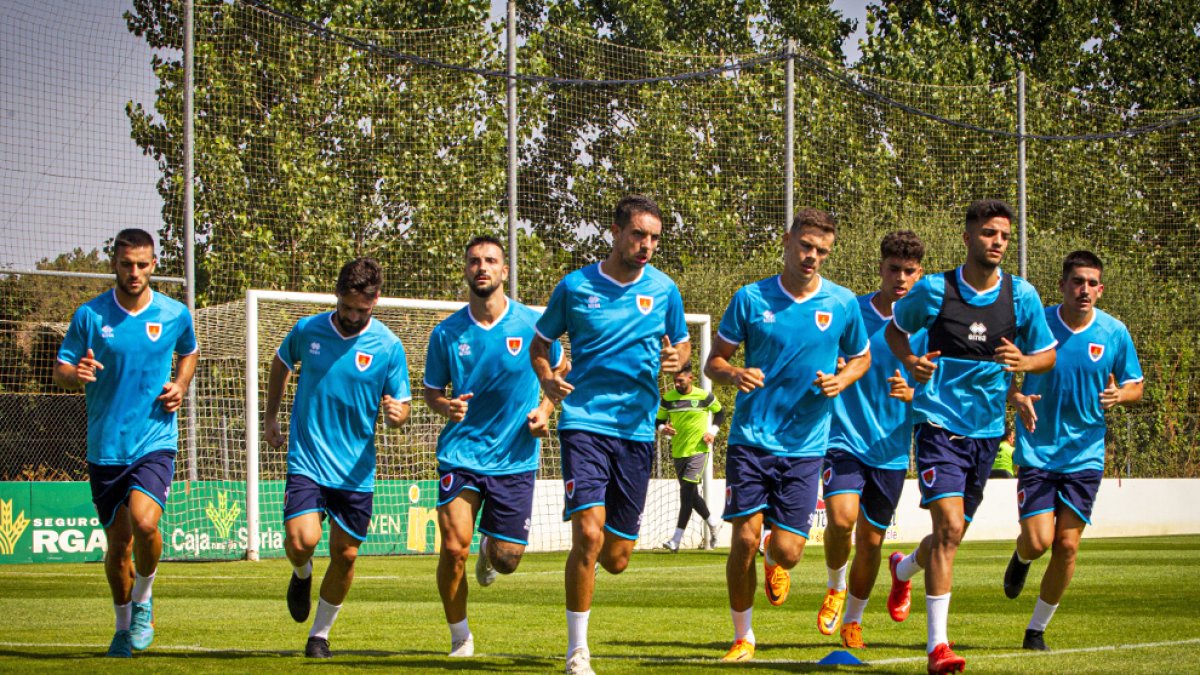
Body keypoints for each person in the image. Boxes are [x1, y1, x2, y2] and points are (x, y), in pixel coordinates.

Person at [884, 199, 1057, 674]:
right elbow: (896, 331)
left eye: (1003, 235)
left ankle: (901, 570)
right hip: (938, 423)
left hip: (987, 434)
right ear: (967, 238)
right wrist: (909, 360)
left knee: (950, 534)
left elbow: (1047, 355)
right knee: (951, 529)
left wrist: (1025, 364)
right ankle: (937, 647)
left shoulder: (1022, 297)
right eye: (987, 233)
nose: (997, 241)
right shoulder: (936, 290)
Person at [531, 194, 690, 675]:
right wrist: (546, 378)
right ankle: (577, 650)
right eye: (639, 234)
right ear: (616, 232)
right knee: (588, 533)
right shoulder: (576, 286)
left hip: (637, 430)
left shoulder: (664, 290)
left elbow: (681, 346)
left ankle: (592, 570)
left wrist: (677, 361)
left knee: (616, 556)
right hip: (584, 422)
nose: (646, 245)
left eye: (654, 238)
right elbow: (541, 343)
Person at [705, 208, 871, 663]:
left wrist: (844, 380)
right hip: (751, 440)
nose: (813, 257)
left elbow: (862, 357)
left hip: (806, 446)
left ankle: (776, 562)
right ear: (787, 241)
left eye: (822, 251)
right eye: (806, 247)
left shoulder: (841, 304)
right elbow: (712, 362)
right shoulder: (750, 298)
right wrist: (735, 371)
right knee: (743, 538)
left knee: (789, 550)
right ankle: (744, 637)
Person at [53, 228, 198, 658]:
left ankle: (145, 599)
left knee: (146, 523)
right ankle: (121, 629)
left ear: (154, 265)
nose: (134, 272)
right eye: (126, 264)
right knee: (118, 548)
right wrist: (73, 373)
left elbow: (189, 351)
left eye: (142, 264)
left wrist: (181, 384)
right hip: (105, 446)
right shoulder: (90, 316)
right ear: (114, 264)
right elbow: (61, 368)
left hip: (154, 438)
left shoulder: (174, 313)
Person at [264, 258, 411, 659]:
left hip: (356, 470)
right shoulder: (307, 330)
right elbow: (280, 364)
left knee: (346, 555)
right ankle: (301, 573)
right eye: (346, 307)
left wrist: (398, 415)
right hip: (308, 460)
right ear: (337, 296)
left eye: (361, 310)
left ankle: (319, 636)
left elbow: (403, 405)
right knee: (302, 541)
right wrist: (272, 417)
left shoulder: (388, 345)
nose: (351, 316)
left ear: (375, 301)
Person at [425, 235, 564, 657]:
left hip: (515, 456)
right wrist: (444, 405)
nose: (481, 267)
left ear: (504, 271)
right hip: (461, 453)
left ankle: (491, 548)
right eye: (473, 261)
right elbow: (432, 392)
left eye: (490, 261)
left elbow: (559, 372)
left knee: (508, 559)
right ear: (465, 271)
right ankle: (460, 636)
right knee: (453, 548)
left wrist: (545, 409)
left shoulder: (532, 326)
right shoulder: (446, 333)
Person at [1003, 250, 1143, 651]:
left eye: (1092, 283)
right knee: (1038, 540)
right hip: (1037, 450)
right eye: (1077, 281)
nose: (1084, 290)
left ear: (1100, 289)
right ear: (1063, 284)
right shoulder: (1037, 324)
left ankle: (1036, 631)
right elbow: (1002, 372)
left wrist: (1121, 394)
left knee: (1067, 544)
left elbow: (1136, 384)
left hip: (1085, 454)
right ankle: (1021, 558)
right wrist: (1015, 395)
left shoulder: (1114, 333)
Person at [818, 230, 927, 649]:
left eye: (909, 271)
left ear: (919, 275)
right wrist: (835, 369)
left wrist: (915, 396)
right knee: (842, 520)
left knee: (871, 540)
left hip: (892, 449)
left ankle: (854, 620)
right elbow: (821, 350)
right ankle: (834, 585)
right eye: (893, 269)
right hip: (843, 437)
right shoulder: (852, 311)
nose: (900, 278)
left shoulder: (928, 326)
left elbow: (944, 390)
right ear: (880, 269)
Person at [655, 363, 725, 552]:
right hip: (678, 452)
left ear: (690, 378)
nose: (676, 384)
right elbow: (659, 422)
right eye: (674, 381)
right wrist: (664, 429)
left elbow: (720, 413)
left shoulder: (704, 396)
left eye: (680, 380)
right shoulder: (668, 399)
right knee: (691, 495)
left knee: (685, 494)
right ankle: (713, 522)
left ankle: (675, 540)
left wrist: (712, 431)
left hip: (698, 451)